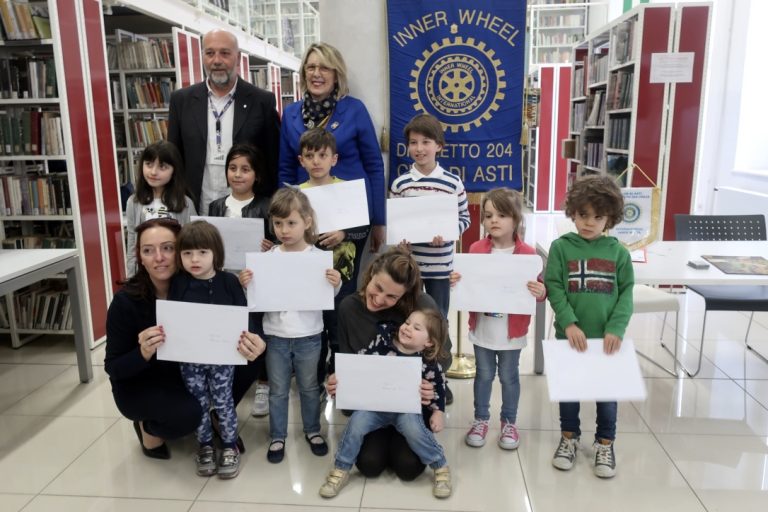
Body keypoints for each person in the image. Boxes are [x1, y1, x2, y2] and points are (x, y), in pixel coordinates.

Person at [105, 218, 265, 460]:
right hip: (145, 382)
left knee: (252, 356)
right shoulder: (126, 302)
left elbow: (239, 318)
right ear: (140, 257)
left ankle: (217, 416)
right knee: (189, 414)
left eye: (168, 248)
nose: (159, 257)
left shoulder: (204, 283)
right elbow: (114, 368)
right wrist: (143, 352)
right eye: (148, 251)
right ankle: (148, 427)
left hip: (188, 370)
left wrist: (257, 340)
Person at [239, 188, 341, 463]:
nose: (284, 229)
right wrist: (247, 284)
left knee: (310, 387)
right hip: (276, 336)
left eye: (291, 223)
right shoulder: (268, 258)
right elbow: (256, 300)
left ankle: (312, 430)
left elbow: (328, 296)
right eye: (278, 223)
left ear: (307, 222)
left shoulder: (317, 257)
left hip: (310, 335)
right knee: (278, 389)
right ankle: (278, 435)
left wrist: (336, 282)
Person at [326, 246, 442, 481]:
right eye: (377, 288)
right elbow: (343, 357)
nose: (379, 299)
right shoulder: (349, 307)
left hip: (410, 406)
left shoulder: (423, 306)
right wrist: (336, 381)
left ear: (405, 295)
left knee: (408, 468)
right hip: (371, 404)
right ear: (370, 275)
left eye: (392, 296)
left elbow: (438, 358)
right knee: (369, 465)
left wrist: (431, 392)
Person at [545, 175, 634, 479]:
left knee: (606, 398)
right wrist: (568, 323)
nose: (589, 222)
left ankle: (605, 443)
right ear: (573, 213)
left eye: (598, 216)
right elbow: (554, 287)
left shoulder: (619, 253)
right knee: (569, 393)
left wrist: (616, 329)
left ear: (611, 217)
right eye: (583, 214)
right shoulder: (561, 248)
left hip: (606, 342)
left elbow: (626, 295)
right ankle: (569, 438)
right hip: (568, 338)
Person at [449, 188, 546, 450]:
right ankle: (481, 419)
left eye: (502, 215)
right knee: (483, 375)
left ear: (516, 219)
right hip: (483, 328)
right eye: (489, 215)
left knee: (509, 376)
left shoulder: (527, 255)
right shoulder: (476, 248)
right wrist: (456, 281)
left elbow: (536, 291)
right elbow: (467, 284)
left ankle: (509, 422)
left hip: (511, 332)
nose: (494, 220)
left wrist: (540, 291)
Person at [319, 308, 452, 499]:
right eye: (407, 322)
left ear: (428, 342)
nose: (407, 328)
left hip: (406, 411)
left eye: (416, 328)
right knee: (356, 423)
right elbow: (360, 361)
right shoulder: (382, 342)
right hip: (375, 407)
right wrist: (340, 376)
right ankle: (341, 468)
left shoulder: (428, 363)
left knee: (414, 429)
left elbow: (438, 386)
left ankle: (440, 465)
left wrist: (438, 412)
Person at [390, 112, 471, 403]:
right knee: (408, 320)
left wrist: (450, 232)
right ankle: (409, 374)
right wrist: (399, 240)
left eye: (426, 141)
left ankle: (439, 377)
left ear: (439, 145)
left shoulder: (452, 183)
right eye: (414, 142)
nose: (420, 148)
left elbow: (465, 219)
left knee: (438, 322)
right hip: (410, 268)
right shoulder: (401, 184)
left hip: (439, 267)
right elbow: (395, 222)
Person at [167, 220, 257, 479]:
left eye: (202, 252)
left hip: (222, 358)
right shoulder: (179, 284)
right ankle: (205, 446)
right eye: (187, 253)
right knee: (198, 402)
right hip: (190, 359)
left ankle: (229, 445)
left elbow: (242, 315)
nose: (195, 259)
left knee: (223, 401)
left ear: (215, 253)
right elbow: (173, 318)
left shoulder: (229, 281)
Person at [278, 41, 386, 255]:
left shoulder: (355, 110)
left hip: (350, 216)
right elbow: (285, 170)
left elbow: (374, 166)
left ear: (336, 75)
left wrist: (379, 220)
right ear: (303, 73)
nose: (316, 74)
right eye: (311, 67)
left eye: (324, 68)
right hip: (304, 215)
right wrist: (283, 217)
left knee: (344, 282)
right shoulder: (290, 114)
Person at [168, 29, 280, 215]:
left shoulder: (262, 101)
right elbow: (174, 155)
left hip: (249, 208)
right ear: (202, 56)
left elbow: (273, 159)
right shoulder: (181, 100)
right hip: (196, 205)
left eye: (225, 53)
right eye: (210, 53)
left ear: (237, 57)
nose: (217, 60)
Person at [297, 127, 370, 387]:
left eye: (322, 155)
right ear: (301, 161)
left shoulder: (347, 190)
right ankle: (314, 381)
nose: (316, 161)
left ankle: (340, 379)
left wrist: (343, 234)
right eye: (310, 156)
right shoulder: (297, 194)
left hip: (344, 272)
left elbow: (364, 230)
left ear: (334, 159)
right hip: (309, 274)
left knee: (340, 327)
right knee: (316, 329)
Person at [207, 143, 273, 418]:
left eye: (245, 169)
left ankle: (263, 383)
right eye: (232, 169)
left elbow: (280, 244)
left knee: (258, 328)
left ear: (256, 175)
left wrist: (271, 249)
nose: (237, 175)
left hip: (255, 281)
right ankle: (224, 381)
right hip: (225, 280)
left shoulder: (267, 206)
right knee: (226, 329)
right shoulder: (215, 206)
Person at [125, 141, 196, 276]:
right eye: (149, 164)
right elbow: (132, 243)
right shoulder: (134, 202)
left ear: (174, 170)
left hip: (176, 271)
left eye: (162, 167)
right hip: (147, 271)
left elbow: (192, 243)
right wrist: (131, 277)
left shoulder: (185, 203)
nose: (153, 172)